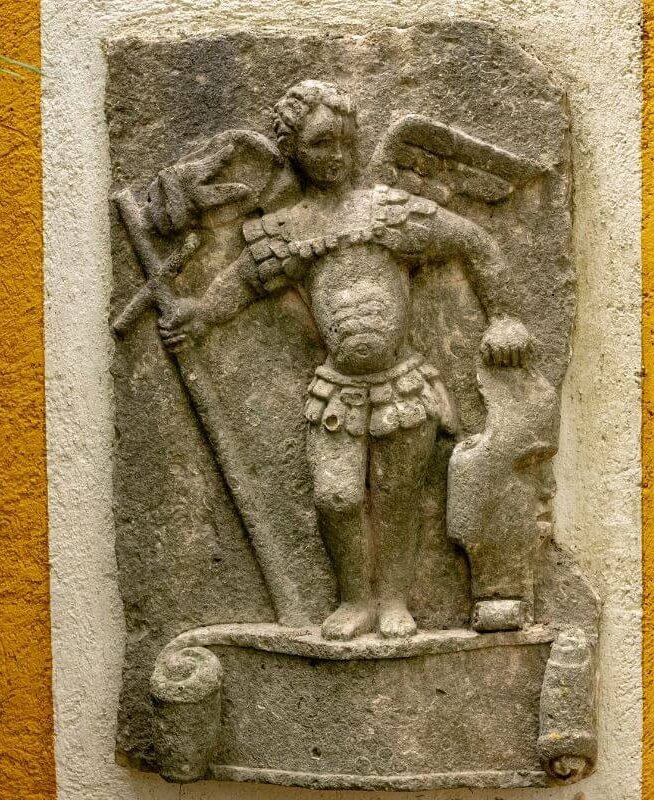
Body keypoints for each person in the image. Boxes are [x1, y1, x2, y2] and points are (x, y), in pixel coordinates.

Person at [159, 80, 533, 640]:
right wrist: (202, 314)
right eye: (318, 144)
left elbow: (475, 243)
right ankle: (355, 598)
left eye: (343, 142)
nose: (334, 156)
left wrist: (504, 317)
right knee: (335, 498)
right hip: (336, 390)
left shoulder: (388, 212)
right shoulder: (291, 228)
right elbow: (244, 280)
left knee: (398, 498)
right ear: (292, 151)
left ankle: (394, 599)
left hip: (401, 384)